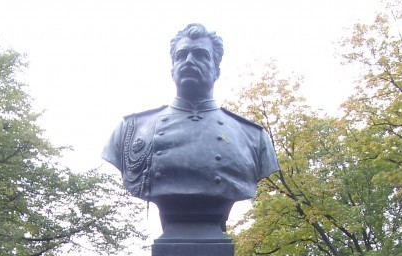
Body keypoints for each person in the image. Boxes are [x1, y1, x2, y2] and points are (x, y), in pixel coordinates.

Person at [102, 23, 278, 240]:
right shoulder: (131, 129)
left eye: (200, 55)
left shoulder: (252, 136)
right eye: (181, 55)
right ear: (172, 67)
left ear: (217, 70)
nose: (189, 61)